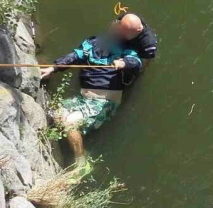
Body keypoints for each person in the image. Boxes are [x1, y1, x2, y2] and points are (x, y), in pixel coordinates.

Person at [40, 13, 158, 161]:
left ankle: (81, 159)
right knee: (56, 114)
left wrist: (123, 63)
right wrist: (54, 67)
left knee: (69, 123)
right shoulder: (93, 42)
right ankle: (80, 147)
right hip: (84, 98)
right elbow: (75, 56)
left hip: (104, 101)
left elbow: (135, 62)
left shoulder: (127, 49)